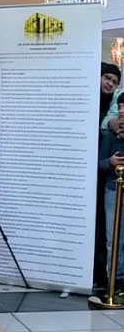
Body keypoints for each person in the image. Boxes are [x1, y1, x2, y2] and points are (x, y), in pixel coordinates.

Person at [96, 63, 121, 291]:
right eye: (107, 78)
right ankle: (108, 277)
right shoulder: (111, 127)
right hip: (106, 184)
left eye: (114, 81)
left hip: (108, 183)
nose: (109, 84)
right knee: (108, 234)